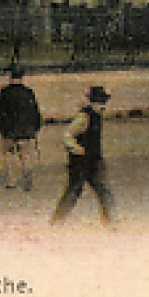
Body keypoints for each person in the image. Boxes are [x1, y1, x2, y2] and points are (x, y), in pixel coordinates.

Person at [51, 86, 115, 226]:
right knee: (73, 192)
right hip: (80, 162)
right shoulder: (83, 117)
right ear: (93, 102)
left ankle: (111, 222)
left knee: (104, 191)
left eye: (104, 102)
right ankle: (56, 221)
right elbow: (67, 136)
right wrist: (77, 149)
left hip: (95, 160)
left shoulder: (95, 115)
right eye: (101, 102)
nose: (104, 106)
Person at [0, 65, 42, 190]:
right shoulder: (28, 92)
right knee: (25, 154)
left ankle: (11, 181)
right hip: (25, 129)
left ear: (10, 76)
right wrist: (36, 127)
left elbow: (0, 113)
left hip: (9, 129)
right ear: (22, 76)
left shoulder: (4, 93)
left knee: (9, 154)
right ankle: (28, 180)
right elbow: (35, 112)